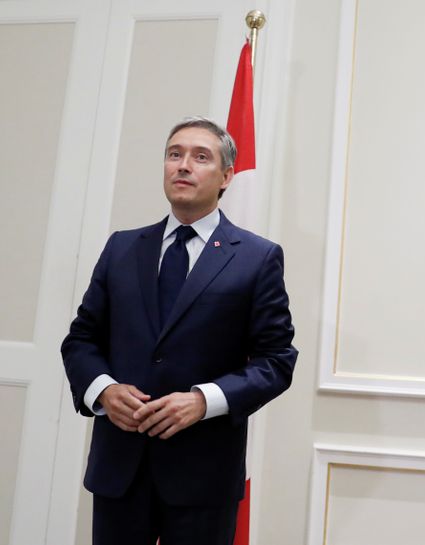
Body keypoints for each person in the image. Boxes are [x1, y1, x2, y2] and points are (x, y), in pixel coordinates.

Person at [62, 117, 298, 545]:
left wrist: (202, 400)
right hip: (120, 469)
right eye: (175, 154)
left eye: (200, 156)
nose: (183, 166)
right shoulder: (122, 247)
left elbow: (277, 362)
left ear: (227, 176)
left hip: (203, 476)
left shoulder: (257, 258)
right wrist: (102, 390)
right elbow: (81, 339)